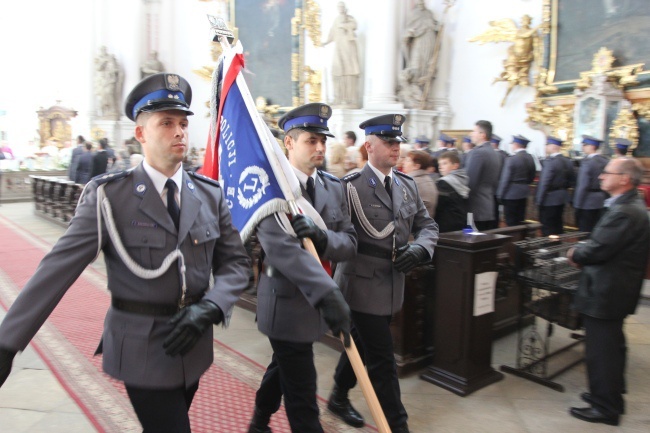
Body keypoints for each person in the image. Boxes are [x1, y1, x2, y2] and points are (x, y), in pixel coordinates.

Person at [0, 72, 251, 433]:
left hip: (194, 343)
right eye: (166, 123)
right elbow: (56, 269)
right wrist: (8, 342)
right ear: (140, 133)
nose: (180, 131)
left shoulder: (208, 194)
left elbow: (236, 264)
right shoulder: (109, 197)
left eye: (183, 123)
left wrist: (213, 305)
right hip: (142, 347)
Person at [247, 103, 356, 433]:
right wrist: (329, 294)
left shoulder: (332, 187)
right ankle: (262, 421)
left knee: (282, 367)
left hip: (318, 301)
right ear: (289, 143)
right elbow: (281, 251)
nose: (320, 147)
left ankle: (258, 421)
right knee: (303, 395)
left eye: (323, 140)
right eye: (311, 140)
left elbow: (349, 242)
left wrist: (323, 239)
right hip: (285, 304)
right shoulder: (270, 189)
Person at [330, 114, 438, 433]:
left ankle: (337, 396)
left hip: (393, 284)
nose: (396, 149)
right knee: (383, 361)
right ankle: (398, 426)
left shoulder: (407, 186)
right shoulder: (349, 187)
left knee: (361, 347)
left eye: (398, 143)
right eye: (389, 143)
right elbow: (338, 237)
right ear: (369, 146)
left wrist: (421, 249)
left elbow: (427, 226)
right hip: (360, 285)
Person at [567, 157, 649, 426]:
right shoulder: (627, 205)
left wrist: (576, 252)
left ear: (624, 178)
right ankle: (609, 396)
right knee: (611, 348)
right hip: (614, 289)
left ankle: (605, 408)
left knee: (601, 351)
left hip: (607, 291)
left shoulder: (626, 211)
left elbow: (599, 249)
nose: (601, 176)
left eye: (607, 172)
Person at [535, 136, 575, 236]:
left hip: (549, 199)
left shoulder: (550, 162)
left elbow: (544, 183)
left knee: (547, 227)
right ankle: (556, 248)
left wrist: (539, 201)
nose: (545, 147)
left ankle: (547, 249)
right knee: (558, 225)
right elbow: (572, 180)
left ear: (553, 147)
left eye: (547, 145)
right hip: (561, 197)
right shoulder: (568, 161)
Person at [465, 120, 501, 231]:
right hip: (488, 205)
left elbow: (470, 182)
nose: (471, 134)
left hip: (475, 207)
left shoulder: (478, 153)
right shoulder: (494, 152)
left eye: (474, 131)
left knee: (471, 241)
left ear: (482, 135)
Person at [323, 2, 360, 107]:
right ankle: (338, 98)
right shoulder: (337, 19)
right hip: (338, 48)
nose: (340, 8)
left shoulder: (349, 18)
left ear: (344, 8)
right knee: (336, 71)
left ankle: (349, 99)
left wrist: (344, 25)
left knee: (348, 72)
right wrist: (326, 42)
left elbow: (354, 25)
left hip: (347, 48)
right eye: (338, 7)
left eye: (341, 7)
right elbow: (332, 32)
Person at [496, 135, 537, 226]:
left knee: (510, 221)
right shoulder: (530, 158)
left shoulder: (512, 159)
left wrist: (499, 195)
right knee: (520, 220)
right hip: (524, 192)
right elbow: (532, 176)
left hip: (511, 194)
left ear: (516, 145)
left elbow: (505, 179)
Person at [573, 135, 609, 232]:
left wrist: (577, 205)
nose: (583, 147)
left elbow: (582, 186)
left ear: (592, 146)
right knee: (597, 229)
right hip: (601, 199)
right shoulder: (605, 160)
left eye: (585, 145)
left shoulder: (587, 162)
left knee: (585, 231)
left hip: (587, 201)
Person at [402, 0, 437, 89]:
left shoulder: (429, 13)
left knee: (426, 68)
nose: (420, 2)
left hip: (429, 41)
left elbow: (435, 27)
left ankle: (422, 92)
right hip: (418, 42)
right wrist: (408, 34)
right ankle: (414, 89)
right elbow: (407, 31)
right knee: (415, 66)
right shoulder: (413, 13)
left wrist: (437, 27)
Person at [435, 151, 469, 232]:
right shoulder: (463, 178)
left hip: (446, 223)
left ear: (455, 165)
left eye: (444, 163)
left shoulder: (444, 183)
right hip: (461, 221)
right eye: (439, 164)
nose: (440, 167)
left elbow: (438, 205)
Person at [402, 149, 439, 217]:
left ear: (416, 166)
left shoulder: (412, 182)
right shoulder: (428, 180)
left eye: (407, 160)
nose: (404, 162)